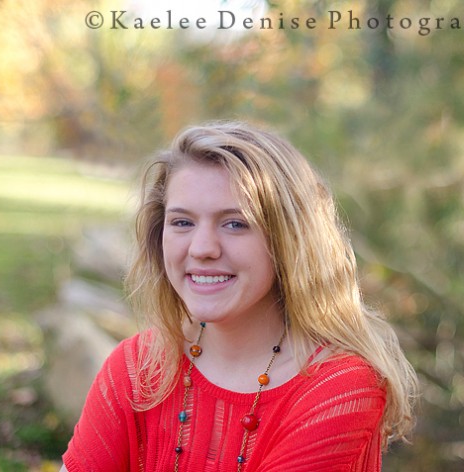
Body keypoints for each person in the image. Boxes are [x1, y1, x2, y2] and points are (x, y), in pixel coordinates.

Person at [60, 121, 419, 471]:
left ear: (288, 240)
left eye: (235, 223)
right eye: (182, 222)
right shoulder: (139, 366)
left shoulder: (339, 388)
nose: (202, 248)